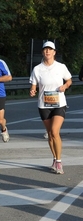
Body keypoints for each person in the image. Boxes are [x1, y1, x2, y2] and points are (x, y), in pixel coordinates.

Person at [29, 41, 72, 174]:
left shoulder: (61, 67)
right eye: (45, 49)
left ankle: (59, 162)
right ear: (43, 52)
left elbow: (69, 80)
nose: (47, 51)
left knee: (54, 131)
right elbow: (34, 85)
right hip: (44, 104)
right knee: (50, 134)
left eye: (50, 49)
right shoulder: (37, 69)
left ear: (54, 52)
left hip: (59, 103)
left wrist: (65, 86)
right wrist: (32, 91)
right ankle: (54, 158)